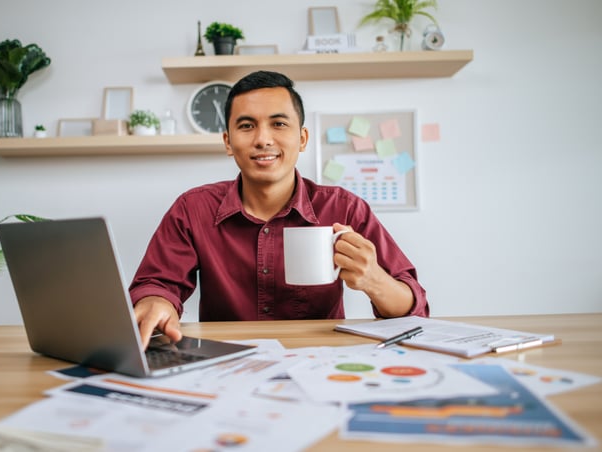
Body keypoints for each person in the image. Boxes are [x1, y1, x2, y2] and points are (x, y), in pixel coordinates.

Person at [130, 70, 428, 348]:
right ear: (228, 142)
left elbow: (415, 309)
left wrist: (373, 278)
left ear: (302, 139)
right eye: (246, 126)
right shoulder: (193, 208)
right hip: (229, 363)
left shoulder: (344, 208)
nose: (262, 139)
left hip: (321, 359)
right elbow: (158, 284)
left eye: (279, 124)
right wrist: (156, 301)